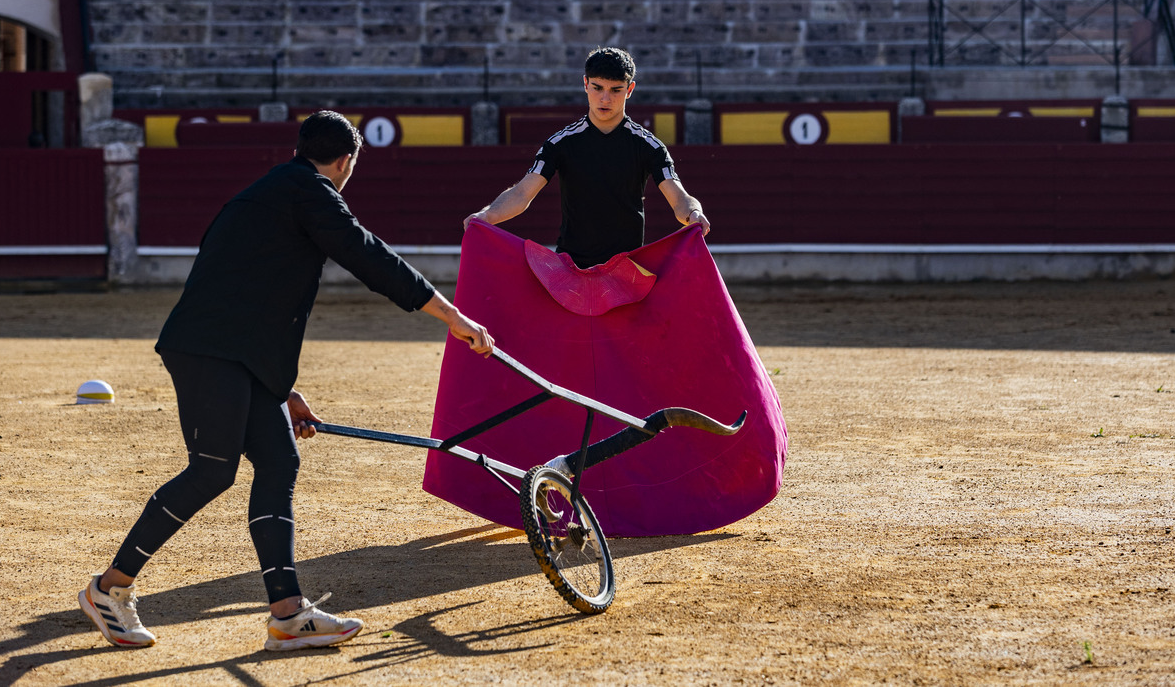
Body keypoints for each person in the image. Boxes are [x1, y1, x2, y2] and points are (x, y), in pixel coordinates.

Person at [79, 110, 494, 651]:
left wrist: (281, 388)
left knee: (279, 460)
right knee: (211, 471)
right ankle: (110, 588)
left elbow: (250, 290)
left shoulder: (265, 191)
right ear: (346, 161)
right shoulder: (314, 195)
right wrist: (455, 318)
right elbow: (373, 260)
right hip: (212, 352)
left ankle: (287, 614)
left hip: (228, 349)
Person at [464, 46, 710, 269]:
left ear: (630, 89)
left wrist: (694, 214)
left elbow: (679, 199)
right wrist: (486, 216)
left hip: (626, 268)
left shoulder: (649, 146)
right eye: (597, 88)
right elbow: (522, 193)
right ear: (585, 84)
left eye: (616, 90)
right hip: (570, 268)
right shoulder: (561, 143)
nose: (605, 98)